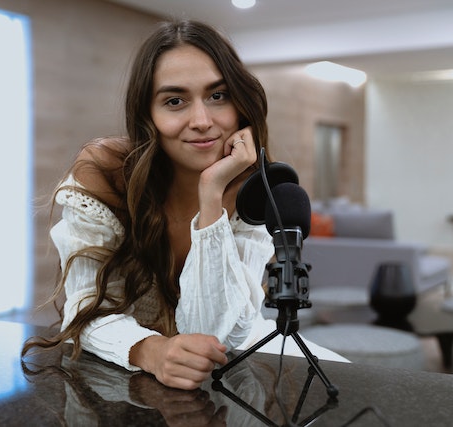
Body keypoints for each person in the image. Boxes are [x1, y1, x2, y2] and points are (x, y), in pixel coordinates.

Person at [23, 19, 347, 391]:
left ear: (240, 104)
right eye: (175, 101)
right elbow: (85, 308)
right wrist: (151, 350)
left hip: (232, 354)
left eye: (218, 96)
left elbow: (216, 333)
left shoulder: (253, 188)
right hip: (126, 369)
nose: (202, 121)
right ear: (148, 116)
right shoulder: (107, 173)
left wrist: (212, 195)